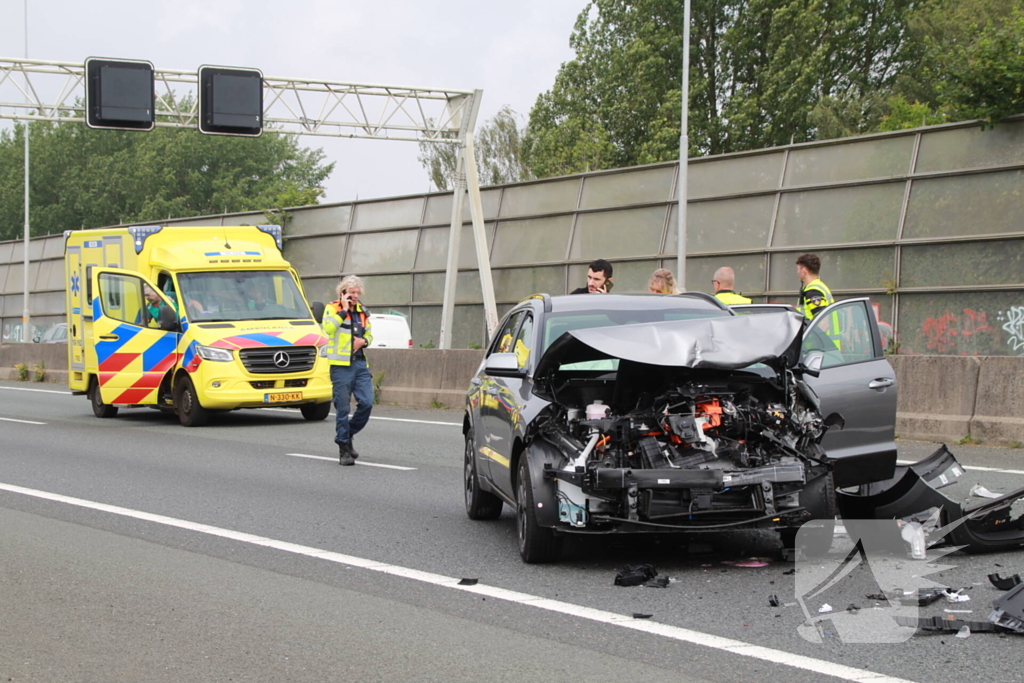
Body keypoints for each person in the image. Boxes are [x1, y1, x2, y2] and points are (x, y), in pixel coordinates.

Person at [322, 275, 374, 466]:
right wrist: (343, 311)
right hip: (340, 366)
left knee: (367, 402)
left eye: (357, 293)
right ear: (343, 293)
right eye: (351, 292)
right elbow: (327, 328)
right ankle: (344, 449)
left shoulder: (362, 312)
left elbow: (370, 333)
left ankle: (347, 434)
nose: (355, 296)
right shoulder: (332, 308)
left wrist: (364, 341)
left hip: (360, 364)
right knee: (342, 409)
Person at [795, 253, 834, 319]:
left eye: (798, 269)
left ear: (804, 271)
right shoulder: (820, 286)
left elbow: (823, 323)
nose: (797, 272)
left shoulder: (813, 292)